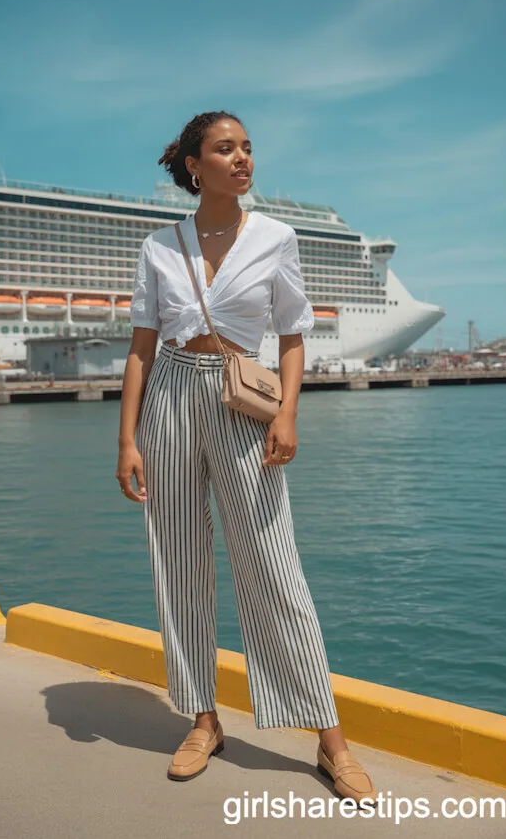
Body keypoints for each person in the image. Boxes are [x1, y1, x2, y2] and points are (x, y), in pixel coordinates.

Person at [116, 111, 377, 805]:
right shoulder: (159, 246)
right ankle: (204, 719)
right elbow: (140, 349)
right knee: (178, 561)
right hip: (169, 392)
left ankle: (330, 739)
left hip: (242, 398)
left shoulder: (276, 237)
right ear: (195, 166)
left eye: (248, 148)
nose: (243, 158)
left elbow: (293, 334)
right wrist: (127, 439)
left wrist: (289, 412)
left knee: (273, 565)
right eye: (226, 148)